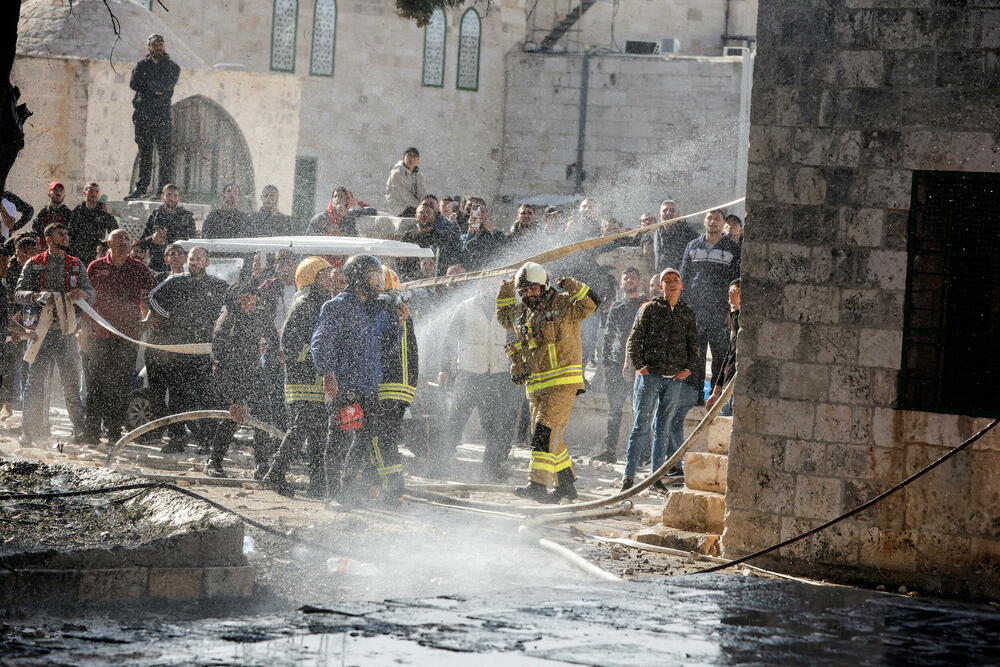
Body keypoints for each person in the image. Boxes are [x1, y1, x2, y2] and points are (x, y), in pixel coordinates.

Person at [496, 261, 598, 503]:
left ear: (544, 286)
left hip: (562, 382)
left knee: (543, 434)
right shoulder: (521, 313)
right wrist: (507, 289)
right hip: (536, 386)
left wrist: (571, 285)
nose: (528, 295)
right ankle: (565, 485)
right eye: (524, 292)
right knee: (552, 437)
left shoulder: (563, 304)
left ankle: (537, 484)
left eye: (532, 289)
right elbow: (503, 316)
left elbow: (591, 303)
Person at [311, 254, 397, 504]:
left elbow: (385, 347)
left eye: (380, 277)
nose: (379, 282)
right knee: (339, 440)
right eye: (374, 277)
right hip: (345, 387)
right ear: (359, 278)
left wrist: (399, 323)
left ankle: (349, 491)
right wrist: (328, 372)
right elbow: (321, 341)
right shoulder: (337, 306)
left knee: (361, 441)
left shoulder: (377, 309)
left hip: (368, 386)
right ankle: (334, 494)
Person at [262, 258, 338, 497]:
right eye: (325, 274)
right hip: (303, 380)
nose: (330, 278)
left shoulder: (319, 302)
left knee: (318, 434)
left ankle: (317, 484)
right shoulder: (307, 304)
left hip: (314, 379)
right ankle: (275, 473)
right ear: (312, 277)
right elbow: (290, 344)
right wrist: (316, 358)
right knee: (300, 428)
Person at [14, 223, 95, 446]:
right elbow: (18, 294)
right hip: (40, 333)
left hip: (66, 333)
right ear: (48, 239)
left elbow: (92, 294)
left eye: (67, 233)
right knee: (35, 384)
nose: (66, 236)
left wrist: (83, 294)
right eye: (61, 233)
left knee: (71, 383)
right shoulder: (34, 263)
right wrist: (36, 295)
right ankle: (29, 432)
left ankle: (79, 431)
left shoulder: (76, 264)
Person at [620, 268, 700, 491]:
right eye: (667, 280)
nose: (672, 283)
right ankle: (628, 477)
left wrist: (688, 369)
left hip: (674, 379)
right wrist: (640, 366)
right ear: (660, 286)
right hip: (650, 377)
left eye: (675, 280)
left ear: (681, 285)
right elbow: (634, 339)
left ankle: (656, 478)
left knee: (663, 429)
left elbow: (694, 344)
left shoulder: (687, 312)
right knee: (641, 426)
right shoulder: (650, 309)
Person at [146, 246, 228, 453]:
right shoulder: (175, 281)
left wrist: (220, 323)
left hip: (205, 352)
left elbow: (231, 305)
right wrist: (169, 318)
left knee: (205, 397)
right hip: (179, 351)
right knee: (177, 396)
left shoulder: (218, 285)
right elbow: (152, 298)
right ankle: (177, 438)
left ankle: (205, 441)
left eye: (199, 259)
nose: (195, 262)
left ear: (207, 262)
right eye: (192, 259)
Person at [81, 229, 157, 443]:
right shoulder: (96, 267)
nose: (124, 242)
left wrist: (147, 320)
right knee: (95, 385)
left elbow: (155, 295)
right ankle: (91, 432)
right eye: (119, 239)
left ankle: (114, 431)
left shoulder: (139, 269)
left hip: (127, 337)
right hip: (98, 336)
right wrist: (84, 332)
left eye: (127, 239)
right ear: (109, 243)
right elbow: (86, 302)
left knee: (120, 386)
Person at [440, 281, 518, 481]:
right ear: (479, 287)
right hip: (469, 374)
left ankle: (490, 469)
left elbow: (516, 341)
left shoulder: (508, 310)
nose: (491, 290)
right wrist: (445, 368)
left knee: (495, 427)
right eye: (487, 286)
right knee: (455, 423)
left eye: (495, 287)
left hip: (497, 376)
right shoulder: (465, 307)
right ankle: (440, 465)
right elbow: (449, 338)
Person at [202, 282, 275, 478]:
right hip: (232, 378)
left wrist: (274, 350)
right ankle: (214, 461)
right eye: (245, 301)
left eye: (253, 302)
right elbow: (220, 362)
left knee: (262, 417)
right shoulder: (226, 323)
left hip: (253, 375)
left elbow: (270, 335)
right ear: (235, 301)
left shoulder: (255, 317)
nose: (250, 306)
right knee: (232, 419)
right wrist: (234, 398)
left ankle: (261, 464)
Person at [680, 208, 741, 402]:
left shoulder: (733, 249)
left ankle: (716, 399)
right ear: (704, 221)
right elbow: (684, 277)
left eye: (717, 218)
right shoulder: (692, 246)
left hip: (720, 312)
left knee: (720, 357)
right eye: (709, 218)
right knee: (695, 358)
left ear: (724, 223)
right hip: (695, 312)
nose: (713, 221)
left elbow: (737, 281)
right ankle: (695, 399)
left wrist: (731, 312)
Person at [593, 267, 646, 464]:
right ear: (621, 283)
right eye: (626, 278)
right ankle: (609, 450)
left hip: (638, 367)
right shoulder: (616, 307)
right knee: (614, 410)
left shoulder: (644, 304)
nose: (629, 281)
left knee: (638, 411)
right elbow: (608, 337)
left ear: (638, 282)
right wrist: (606, 363)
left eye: (633, 278)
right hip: (615, 366)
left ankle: (640, 453)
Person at [373, 266, 416, 500]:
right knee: (387, 437)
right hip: (402, 385)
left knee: (380, 437)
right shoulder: (398, 305)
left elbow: (378, 347)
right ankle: (391, 486)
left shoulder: (382, 306)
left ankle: (392, 487)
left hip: (388, 385)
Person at [127, 34, 180, 200]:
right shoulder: (142, 65)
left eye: (160, 44)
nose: (158, 47)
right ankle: (142, 188)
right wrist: (154, 88)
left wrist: (149, 86)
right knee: (145, 153)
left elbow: (166, 86)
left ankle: (162, 190)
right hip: (143, 114)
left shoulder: (172, 67)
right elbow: (134, 83)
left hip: (161, 114)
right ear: (149, 47)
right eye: (154, 44)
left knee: (164, 153)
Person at [398, 202, 463, 280]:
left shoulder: (441, 237)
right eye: (421, 212)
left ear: (434, 216)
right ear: (416, 216)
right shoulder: (408, 237)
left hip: (437, 281)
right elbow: (401, 263)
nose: (425, 215)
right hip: (413, 282)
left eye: (428, 212)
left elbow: (450, 260)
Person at [140, 184, 196, 272]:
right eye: (168, 195)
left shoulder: (186, 217)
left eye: (175, 196)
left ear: (179, 198)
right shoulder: (155, 216)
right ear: (162, 197)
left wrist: (168, 238)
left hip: (178, 263)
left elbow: (192, 240)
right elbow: (143, 242)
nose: (172, 199)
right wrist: (153, 238)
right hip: (157, 263)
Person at [706, 278, 740, 416]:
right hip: (727, 387)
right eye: (730, 294)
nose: (731, 297)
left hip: (738, 387)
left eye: (735, 293)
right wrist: (716, 392)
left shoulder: (745, 319)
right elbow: (729, 356)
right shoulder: (734, 317)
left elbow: (741, 334)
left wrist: (736, 307)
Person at [68, 182, 118, 266]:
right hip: (78, 252)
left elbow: (114, 230)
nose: (94, 194)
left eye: (97, 191)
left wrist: (106, 244)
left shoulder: (103, 211)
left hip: (97, 253)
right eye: (91, 191)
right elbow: (70, 232)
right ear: (85, 193)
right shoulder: (77, 211)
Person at [643, 199, 698, 276]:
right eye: (665, 211)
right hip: (661, 276)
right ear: (660, 215)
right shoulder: (652, 233)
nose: (668, 213)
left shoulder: (688, 231)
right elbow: (646, 251)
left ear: (678, 215)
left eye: (672, 210)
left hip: (681, 276)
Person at [307, 186, 376, 238]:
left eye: (341, 196)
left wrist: (357, 202)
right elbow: (308, 240)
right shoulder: (320, 218)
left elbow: (372, 210)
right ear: (331, 200)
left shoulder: (350, 215)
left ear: (347, 200)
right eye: (335, 196)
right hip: (322, 255)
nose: (337, 199)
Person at [461, 201, 506, 271]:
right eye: (476, 212)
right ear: (471, 216)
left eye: (482, 212)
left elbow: (504, 250)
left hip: (490, 271)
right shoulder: (464, 236)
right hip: (471, 273)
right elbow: (462, 257)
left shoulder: (496, 234)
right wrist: (470, 233)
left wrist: (491, 230)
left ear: (487, 215)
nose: (480, 215)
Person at [384, 147, 425, 216]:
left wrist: (425, 204)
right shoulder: (397, 173)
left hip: (413, 206)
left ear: (418, 161)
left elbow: (421, 192)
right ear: (403, 158)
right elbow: (405, 195)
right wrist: (420, 207)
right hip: (398, 207)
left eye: (415, 157)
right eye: (409, 156)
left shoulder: (418, 175)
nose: (412, 159)